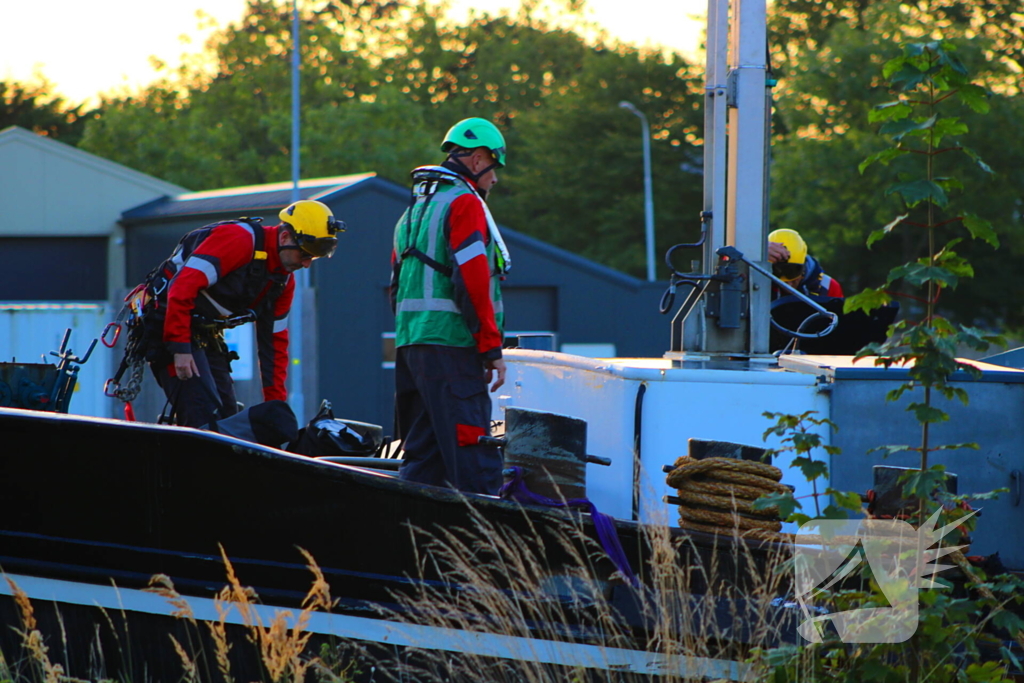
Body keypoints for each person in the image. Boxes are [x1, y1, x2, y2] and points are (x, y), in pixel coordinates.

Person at [142, 200, 344, 427]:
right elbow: (180, 288)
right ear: (285, 237)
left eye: (313, 258)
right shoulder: (239, 240)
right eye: (305, 255)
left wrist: (275, 406)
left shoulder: (283, 282)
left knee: (228, 416)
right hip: (167, 324)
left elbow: (274, 345)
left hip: (204, 333)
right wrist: (179, 349)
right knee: (202, 415)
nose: (307, 264)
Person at [390, 117, 511, 494]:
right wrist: (490, 347)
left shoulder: (410, 214)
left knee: (423, 460)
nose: (495, 179)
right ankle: (489, 549)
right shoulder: (464, 204)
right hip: (452, 349)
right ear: (477, 160)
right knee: (473, 457)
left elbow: (394, 288)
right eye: (494, 168)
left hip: (412, 348)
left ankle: (412, 545)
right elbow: (472, 282)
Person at [767, 228, 843, 298]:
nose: (788, 284)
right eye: (777, 272)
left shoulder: (828, 286)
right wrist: (756, 252)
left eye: (792, 272)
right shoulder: (757, 281)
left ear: (804, 265)